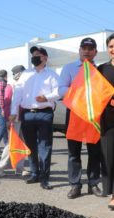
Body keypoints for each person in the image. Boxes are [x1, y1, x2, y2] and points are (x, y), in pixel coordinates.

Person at [9, 46, 61, 190]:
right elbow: (17, 93)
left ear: (44, 58)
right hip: (27, 114)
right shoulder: (25, 74)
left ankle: (44, 178)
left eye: (37, 54)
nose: (34, 56)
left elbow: (58, 92)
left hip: (45, 113)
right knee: (31, 145)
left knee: (45, 146)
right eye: (33, 54)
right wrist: (13, 112)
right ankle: (34, 173)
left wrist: (47, 98)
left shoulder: (52, 75)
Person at [58, 37, 103, 199]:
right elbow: (61, 89)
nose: (86, 51)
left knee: (94, 153)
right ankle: (75, 185)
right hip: (75, 115)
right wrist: (79, 91)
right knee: (74, 153)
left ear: (95, 52)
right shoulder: (70, 68)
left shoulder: (100, 70)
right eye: (83, 48)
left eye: (90, 49)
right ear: (79, 50)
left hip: (93, 117)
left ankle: (93, 184)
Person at [0, 65, 30, 177]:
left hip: (24, 119)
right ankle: (1, 168)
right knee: (11, 144)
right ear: (19, 74)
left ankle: (20, 168)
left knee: (22, 143)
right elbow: (6, 105)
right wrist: (7, 119)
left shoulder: (25, 85)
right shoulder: (10, 87)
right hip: (13, 120)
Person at [97, 33, 114, 209]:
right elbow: (95, 93)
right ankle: (112, 193)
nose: (113, 50)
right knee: (108, 158)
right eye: (110, 46)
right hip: (107, 120)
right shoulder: (102, 69)